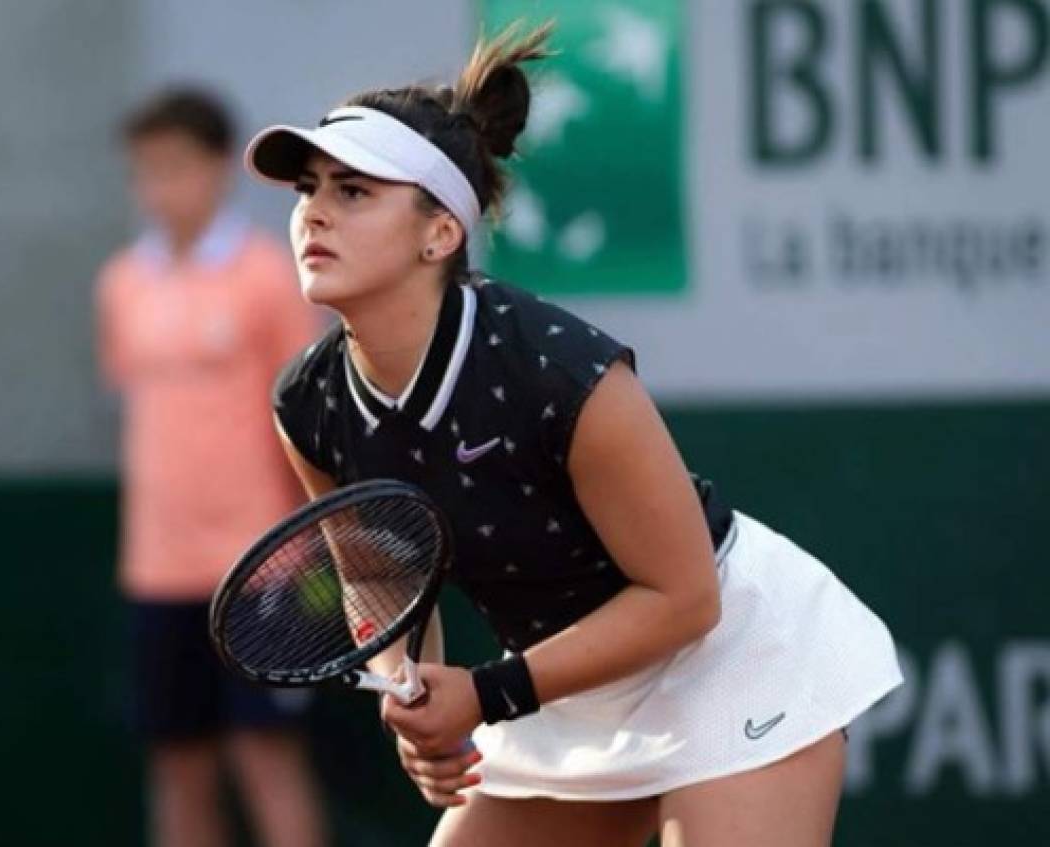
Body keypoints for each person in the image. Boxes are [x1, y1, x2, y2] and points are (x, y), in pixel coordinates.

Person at [247, 23, 902, 847]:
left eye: (353, 192)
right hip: (562, 685)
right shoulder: (308, 404)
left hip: (730, 657)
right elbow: (379, 572)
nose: (313, 214)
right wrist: (406, 689)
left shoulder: (553, 370)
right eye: (308, 189)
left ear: (439, 233)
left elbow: (686, 597)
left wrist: (483, 694)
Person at [96, 87, 326, 847]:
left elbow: (301, 420)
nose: (161, 188)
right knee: (177, 764)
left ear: (220, 168)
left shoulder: (268, 277)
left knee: (266, 756)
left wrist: (304, 547)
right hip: (157, 569)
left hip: (264, 567)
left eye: (177, 167)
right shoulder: (123, 285)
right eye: (146, 171)